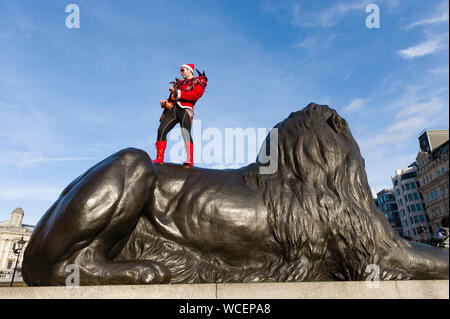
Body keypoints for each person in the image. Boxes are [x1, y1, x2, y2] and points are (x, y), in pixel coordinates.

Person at [153, 64, 207, 167]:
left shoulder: (199, 81)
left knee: (185, 132)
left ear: (190, 70)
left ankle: (189, 159)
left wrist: (177, 92)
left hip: (186, 109)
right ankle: (159, 157)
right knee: (161, 130)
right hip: (174, 109)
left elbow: (194, 96)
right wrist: (165, 103)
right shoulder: (179, 83)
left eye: (183, 70)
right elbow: (172, 98)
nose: (181, 72)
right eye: (180, 70)